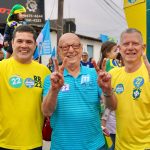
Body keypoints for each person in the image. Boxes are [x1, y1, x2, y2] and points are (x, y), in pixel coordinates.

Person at [42, 33, 107, 150]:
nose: (71, 50)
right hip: (61, 146)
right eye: (65, 47)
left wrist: (107, 90)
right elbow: (47, 112)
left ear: (81, 48)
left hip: (95, 145)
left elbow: (111, 106)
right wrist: (54, 90)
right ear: (59, 51)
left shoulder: (94, 74)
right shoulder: (51, 79)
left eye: (75, 46)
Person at [98, 28, 150, 149]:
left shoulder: (148, 73)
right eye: (126, 44)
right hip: (120, 145)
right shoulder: (114, 74)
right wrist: (107, 91)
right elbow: (111, 107)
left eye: (135, 43)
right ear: (119, 49)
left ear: (143, 48)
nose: (130, 47)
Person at [0, 25, 50, 149]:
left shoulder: (44, 71)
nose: (24, 45)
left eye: (29, 42)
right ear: (12, 43)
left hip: (34, 143)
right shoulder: (1, 68)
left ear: (35, 45)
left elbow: (49, 107)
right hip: (3, 143)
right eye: (19, 41)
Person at [100, 41, 121, 150]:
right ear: (107, 53)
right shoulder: (111, 62)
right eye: (115, 50)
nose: (118, 53)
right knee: (116, 143)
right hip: (110, 97)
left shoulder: (108, 62)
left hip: (108, 100)